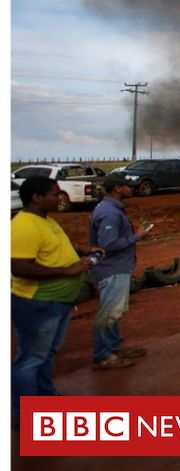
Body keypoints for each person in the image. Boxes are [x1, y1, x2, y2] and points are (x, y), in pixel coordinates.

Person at [11, 177, 103, 419]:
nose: (60, 197)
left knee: (47, 354)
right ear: (36, 197)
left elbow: (55, 245)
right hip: (38, 303)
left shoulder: (45, 220)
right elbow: (19, 267)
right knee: (30, 360)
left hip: (57, 303)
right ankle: (23, 413)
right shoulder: (24, 226)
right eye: (55, 194)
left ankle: (45, 398)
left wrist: (81, 250)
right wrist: (66, 270)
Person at [88, 172, 150, 370]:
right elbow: (109, 244)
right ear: (117, 188)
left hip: (115, 268)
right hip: (112, 269)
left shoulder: (110, 208)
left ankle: (114, 348)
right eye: (127, 185)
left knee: (114, 313)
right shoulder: (110, 213)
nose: (131, 188)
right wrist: (137, 236)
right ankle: (102, 355)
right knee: (108, 314)